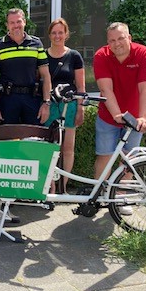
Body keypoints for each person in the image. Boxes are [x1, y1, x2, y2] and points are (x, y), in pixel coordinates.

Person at [93, 22, 146, 179]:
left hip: (134, 116)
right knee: (105, 156)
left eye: (120, 38)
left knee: (129, 158)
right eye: (112, 40)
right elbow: (106, 90)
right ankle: (100, 195)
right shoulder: (101, 56)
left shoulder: (143, 54)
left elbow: (145, 88)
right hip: (108, 116)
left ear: (129, 38)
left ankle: (121, 196)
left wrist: (143, 118)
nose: (116, 44)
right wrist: (117, 115)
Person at [42, 18, 86, 193]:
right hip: (49, 106)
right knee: (49, 148)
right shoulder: (43, 55)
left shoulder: (74, 56)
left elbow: (81, 87)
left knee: (68, 148)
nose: (57, 36)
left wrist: (81, 108)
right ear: (49, 35)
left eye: (61, 32)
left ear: (66, 34)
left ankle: (63, 187)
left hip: (69, 106)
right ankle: (49, 186)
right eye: (54, 32)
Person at [0, 8, 52, 126]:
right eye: (12, 23)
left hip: (32, 99)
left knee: (33, 140)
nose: (15, 26)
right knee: (7, 141)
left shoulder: (36, 44)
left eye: (18, 22)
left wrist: (46, 103)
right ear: (7, 25)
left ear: (24, 22)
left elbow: (46, 75)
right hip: (7, 100)